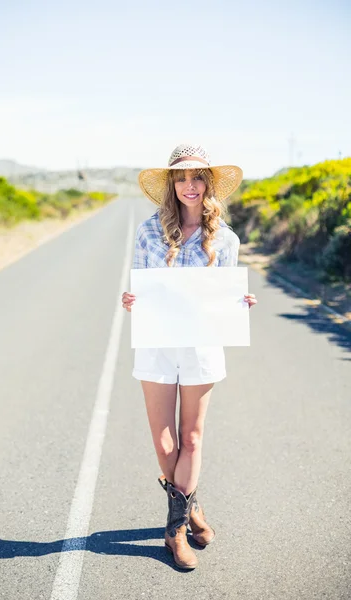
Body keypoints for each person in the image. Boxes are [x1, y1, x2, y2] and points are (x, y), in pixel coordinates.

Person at [121, 143, 257, 570]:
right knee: (165, 441)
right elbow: (143, 289)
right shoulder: (148, 232)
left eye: (197, 177)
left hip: (202, 344)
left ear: (209, 184)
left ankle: (174, 531)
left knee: (192, 438)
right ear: (171, 186)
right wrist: (131, 300)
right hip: (157, 343)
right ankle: (191, 505)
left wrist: (240, 303)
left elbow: (224, 299)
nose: (189, 186)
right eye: (181, 179)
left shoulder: (227, 239)